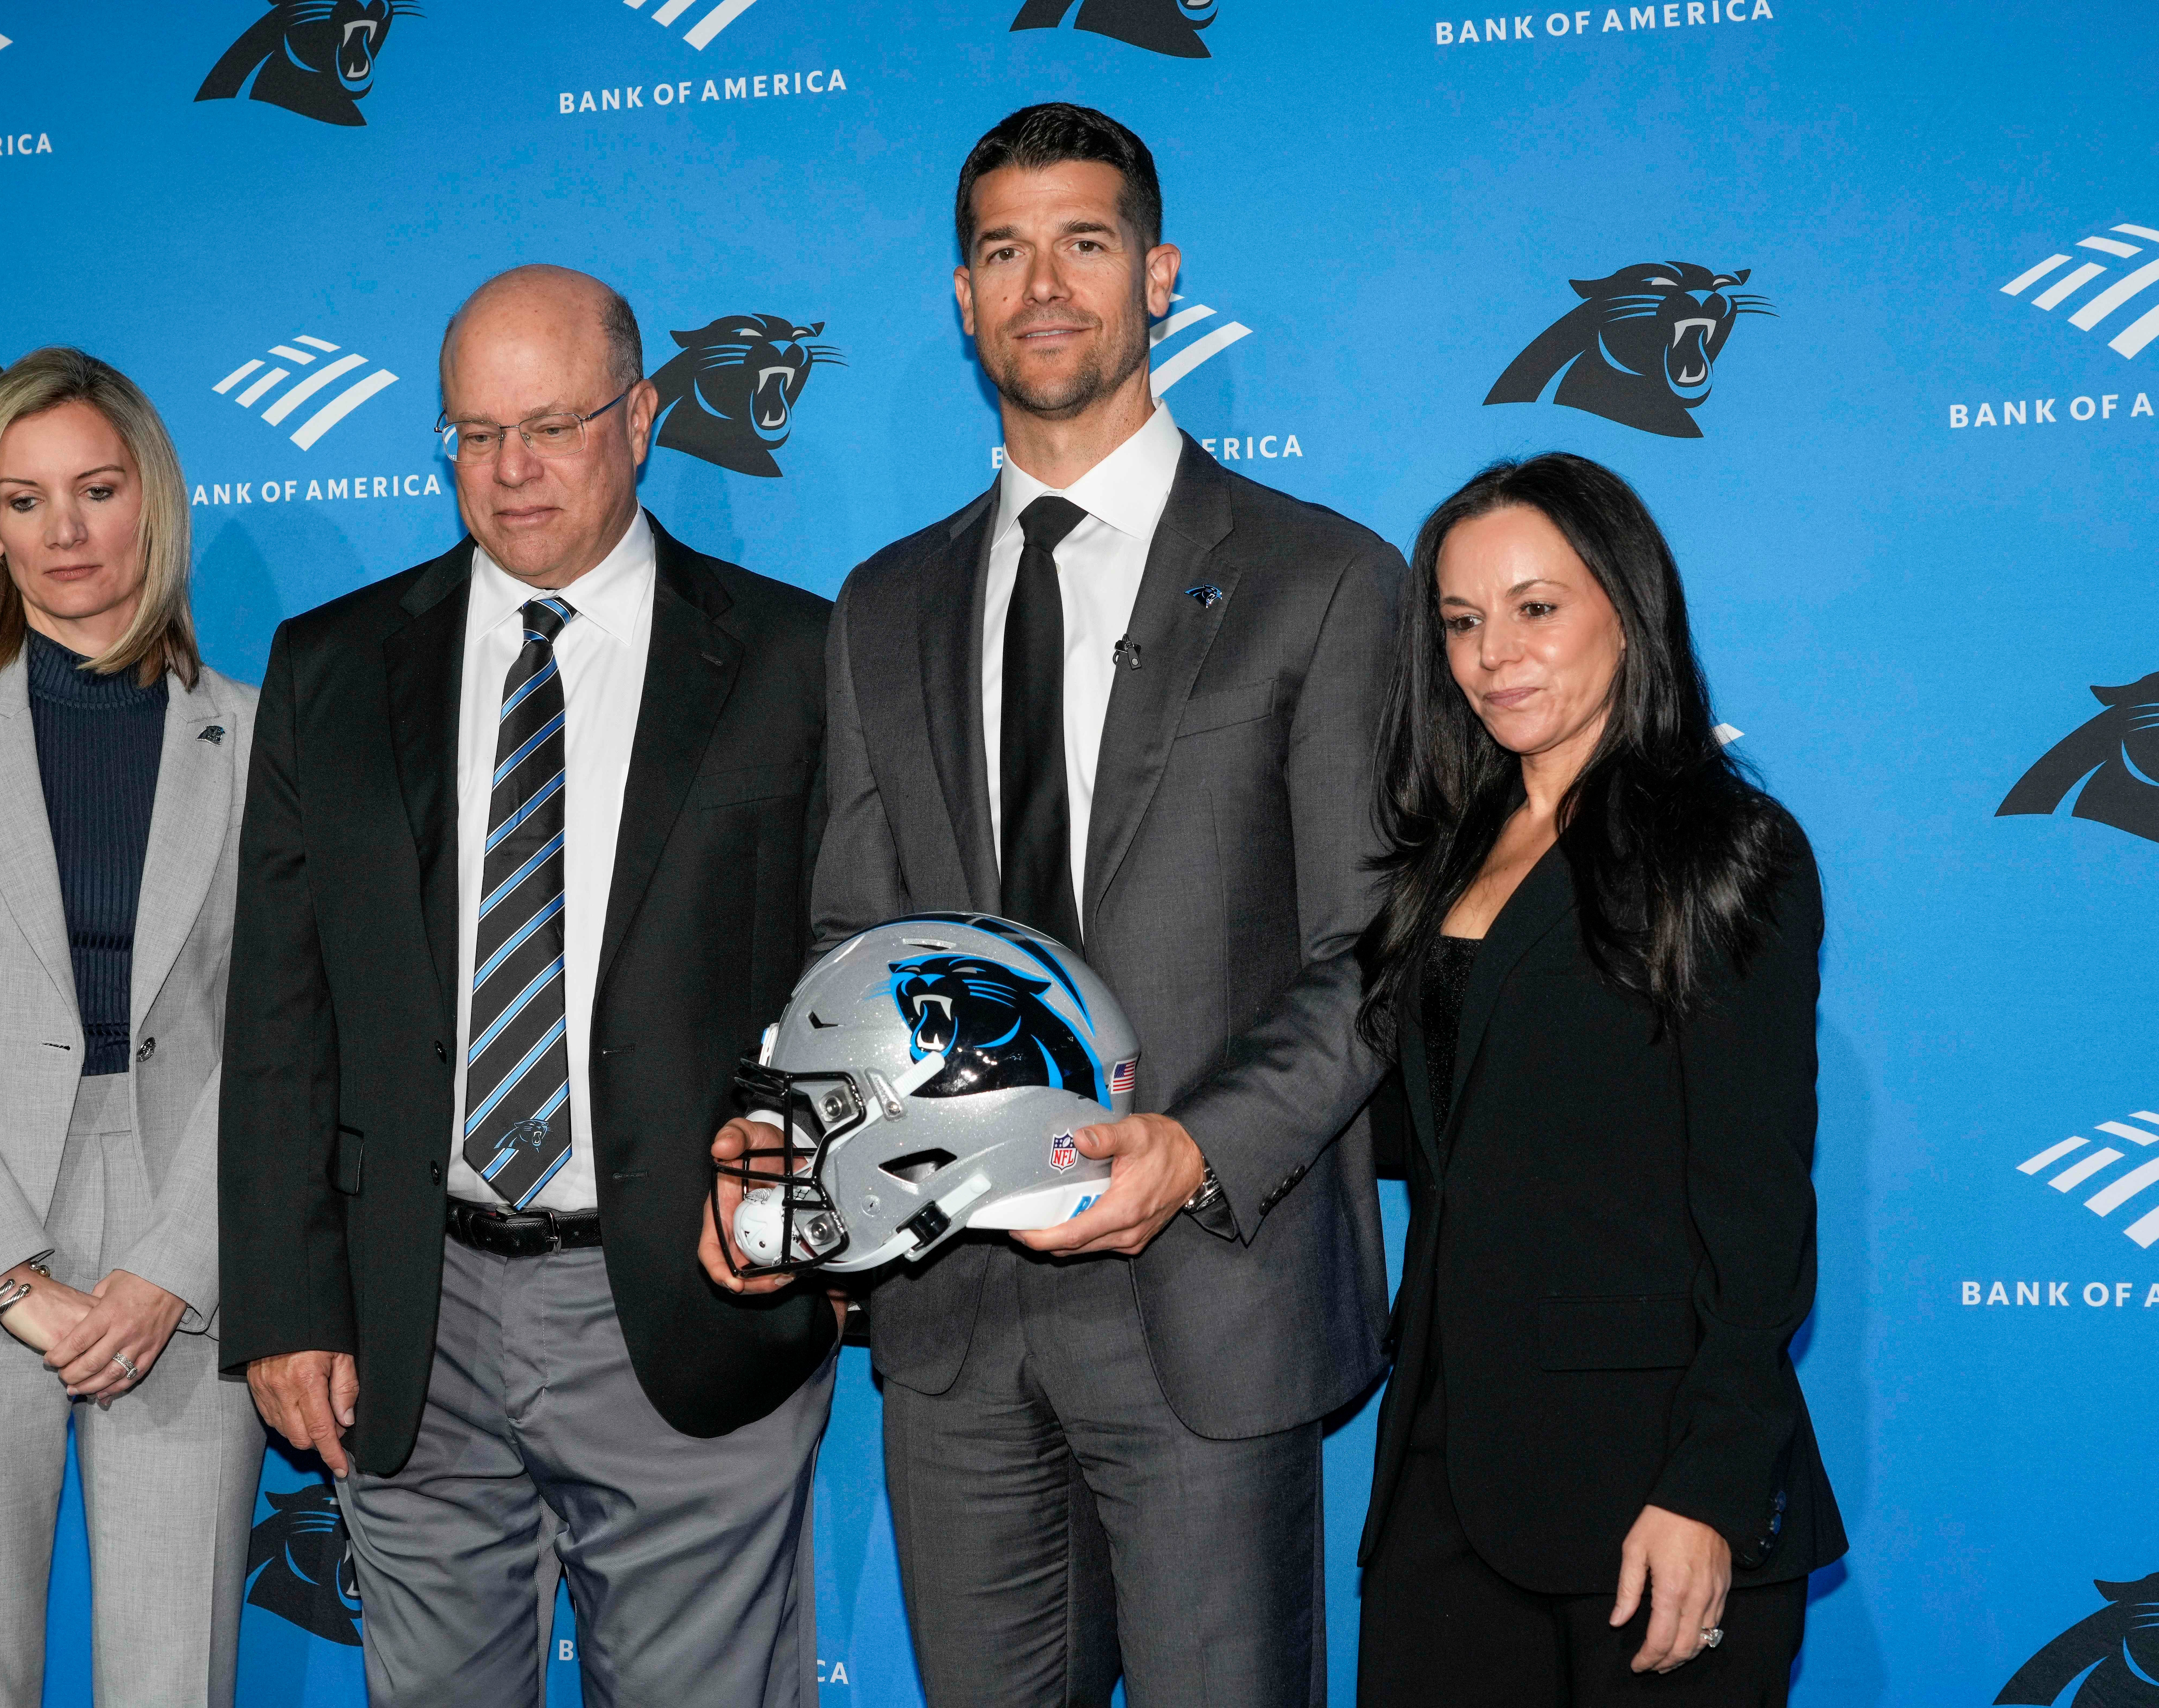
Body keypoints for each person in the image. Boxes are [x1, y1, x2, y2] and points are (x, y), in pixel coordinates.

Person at [703, 104, 1403, 1707]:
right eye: (1004, 251)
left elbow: (1370, 950)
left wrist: (1196, 1148)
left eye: (1085, 243)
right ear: (962, 296)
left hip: (1206, 1301)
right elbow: (851, 944)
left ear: (1158, 277)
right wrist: (795, 1142)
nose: (1045, 285)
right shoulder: (884, 604)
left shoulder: (1322, 581)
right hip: (949, 1321)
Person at [220, 264, 838, 1708]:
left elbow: (849, 967)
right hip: (405, 1323)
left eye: (550, 427)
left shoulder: (800, 660)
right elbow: (280, 1015)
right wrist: (287, 1302)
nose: (510, 473)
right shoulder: (329, 666)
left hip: (692, 1310)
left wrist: (806, 1219)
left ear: (640, 418)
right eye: (472, 434)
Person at [1351, 452, 1846, 1703]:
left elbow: (1757, 1202)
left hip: (1650, 1489)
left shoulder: (1723, 850)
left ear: (1627, 609)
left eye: (1537, 607)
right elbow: (1433, 1135)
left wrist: (1710, 1491)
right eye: (1461, 622)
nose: (1493, 654)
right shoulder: (1438, 854)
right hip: (1442, 1474)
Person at [0, 346, 265, 1707]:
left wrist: (166, 1271)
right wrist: (15, 1282)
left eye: (96, 490)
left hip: (183, 1242)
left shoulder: (257, 736)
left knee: (170, 1682)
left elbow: (281, 1033)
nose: (64, 534)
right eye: (23, 501)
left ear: (155, 502)